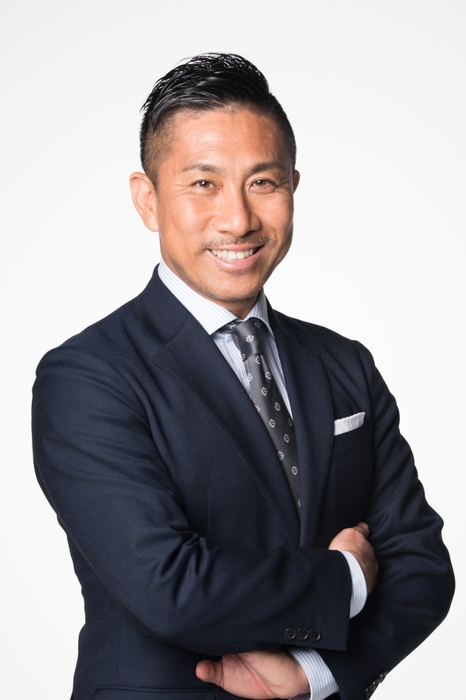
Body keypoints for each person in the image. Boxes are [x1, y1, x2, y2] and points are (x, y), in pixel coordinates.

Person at [32, 53, 454, 700]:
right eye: (204, 183)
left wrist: (312, 673)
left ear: (293, 187)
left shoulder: (344, 363)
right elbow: (171, 589)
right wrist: (347, 579)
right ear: (148, 200)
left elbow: (422, 566)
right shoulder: (87, 377)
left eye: (263, 182)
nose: (238, 219)